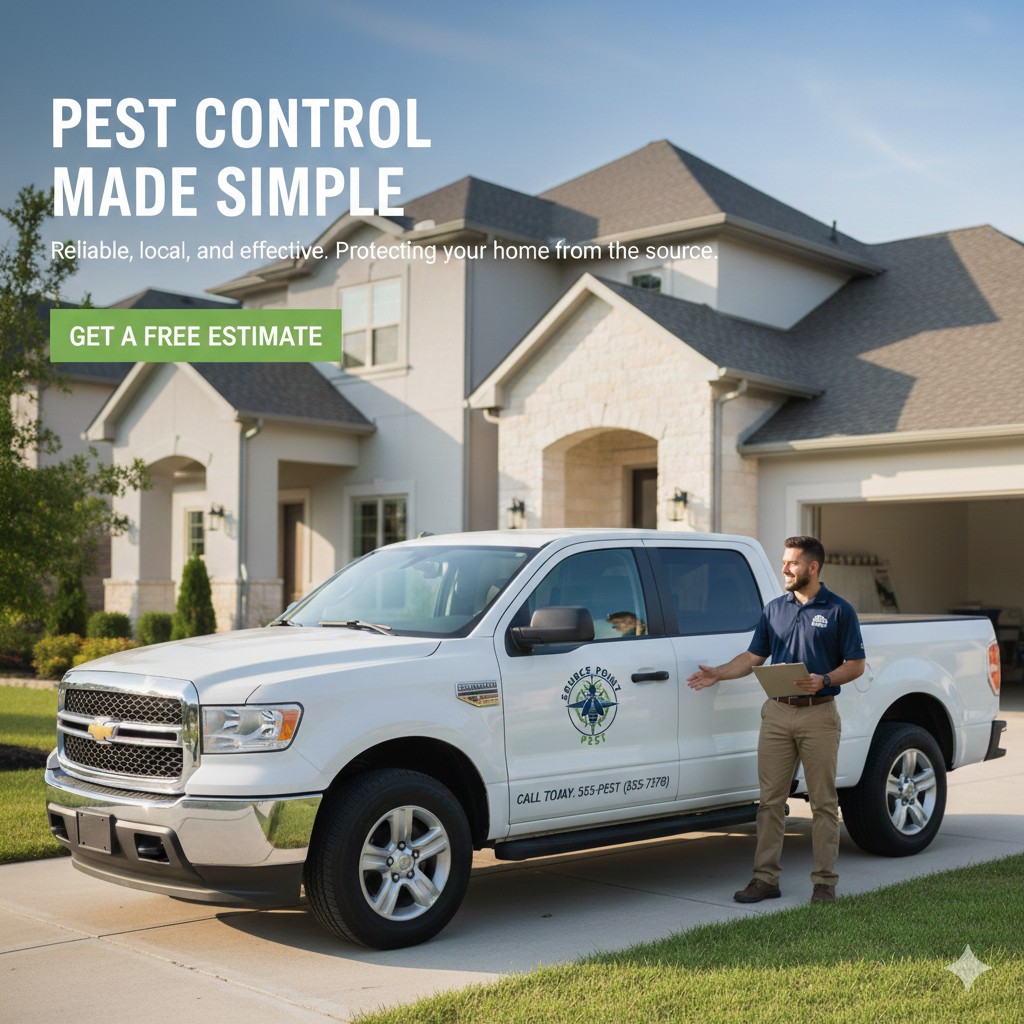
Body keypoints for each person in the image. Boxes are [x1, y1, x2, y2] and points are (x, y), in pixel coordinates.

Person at [686, 536, 865, 904]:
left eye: (792, 563)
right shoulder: (774, 610)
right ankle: (765, 879)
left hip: (819, 714)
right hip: (777, 714)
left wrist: (824, 679)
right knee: (769, 802)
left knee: (823, 803)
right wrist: (718, 673)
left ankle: (824, 883)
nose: (784, 569)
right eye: (784, 561)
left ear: (813, 567)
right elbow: (754, 657)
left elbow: (856, 664)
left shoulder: (839, 611)